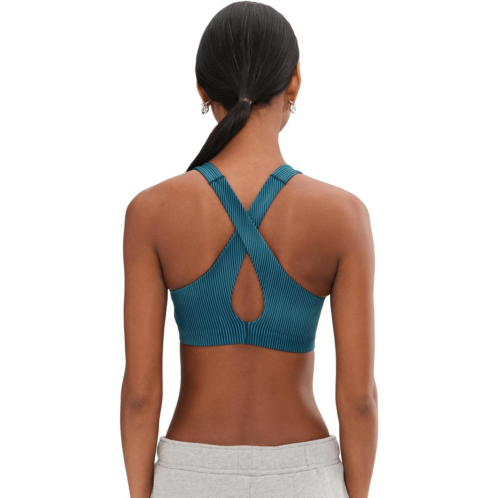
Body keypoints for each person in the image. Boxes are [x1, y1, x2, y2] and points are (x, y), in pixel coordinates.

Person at [121, 2, 378, 497]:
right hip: (305, 476)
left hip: (190, 474)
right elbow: (359, 399)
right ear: (294, 80)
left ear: (202, 89)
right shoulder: (343, 216)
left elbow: (139, 394)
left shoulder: (151, 212)